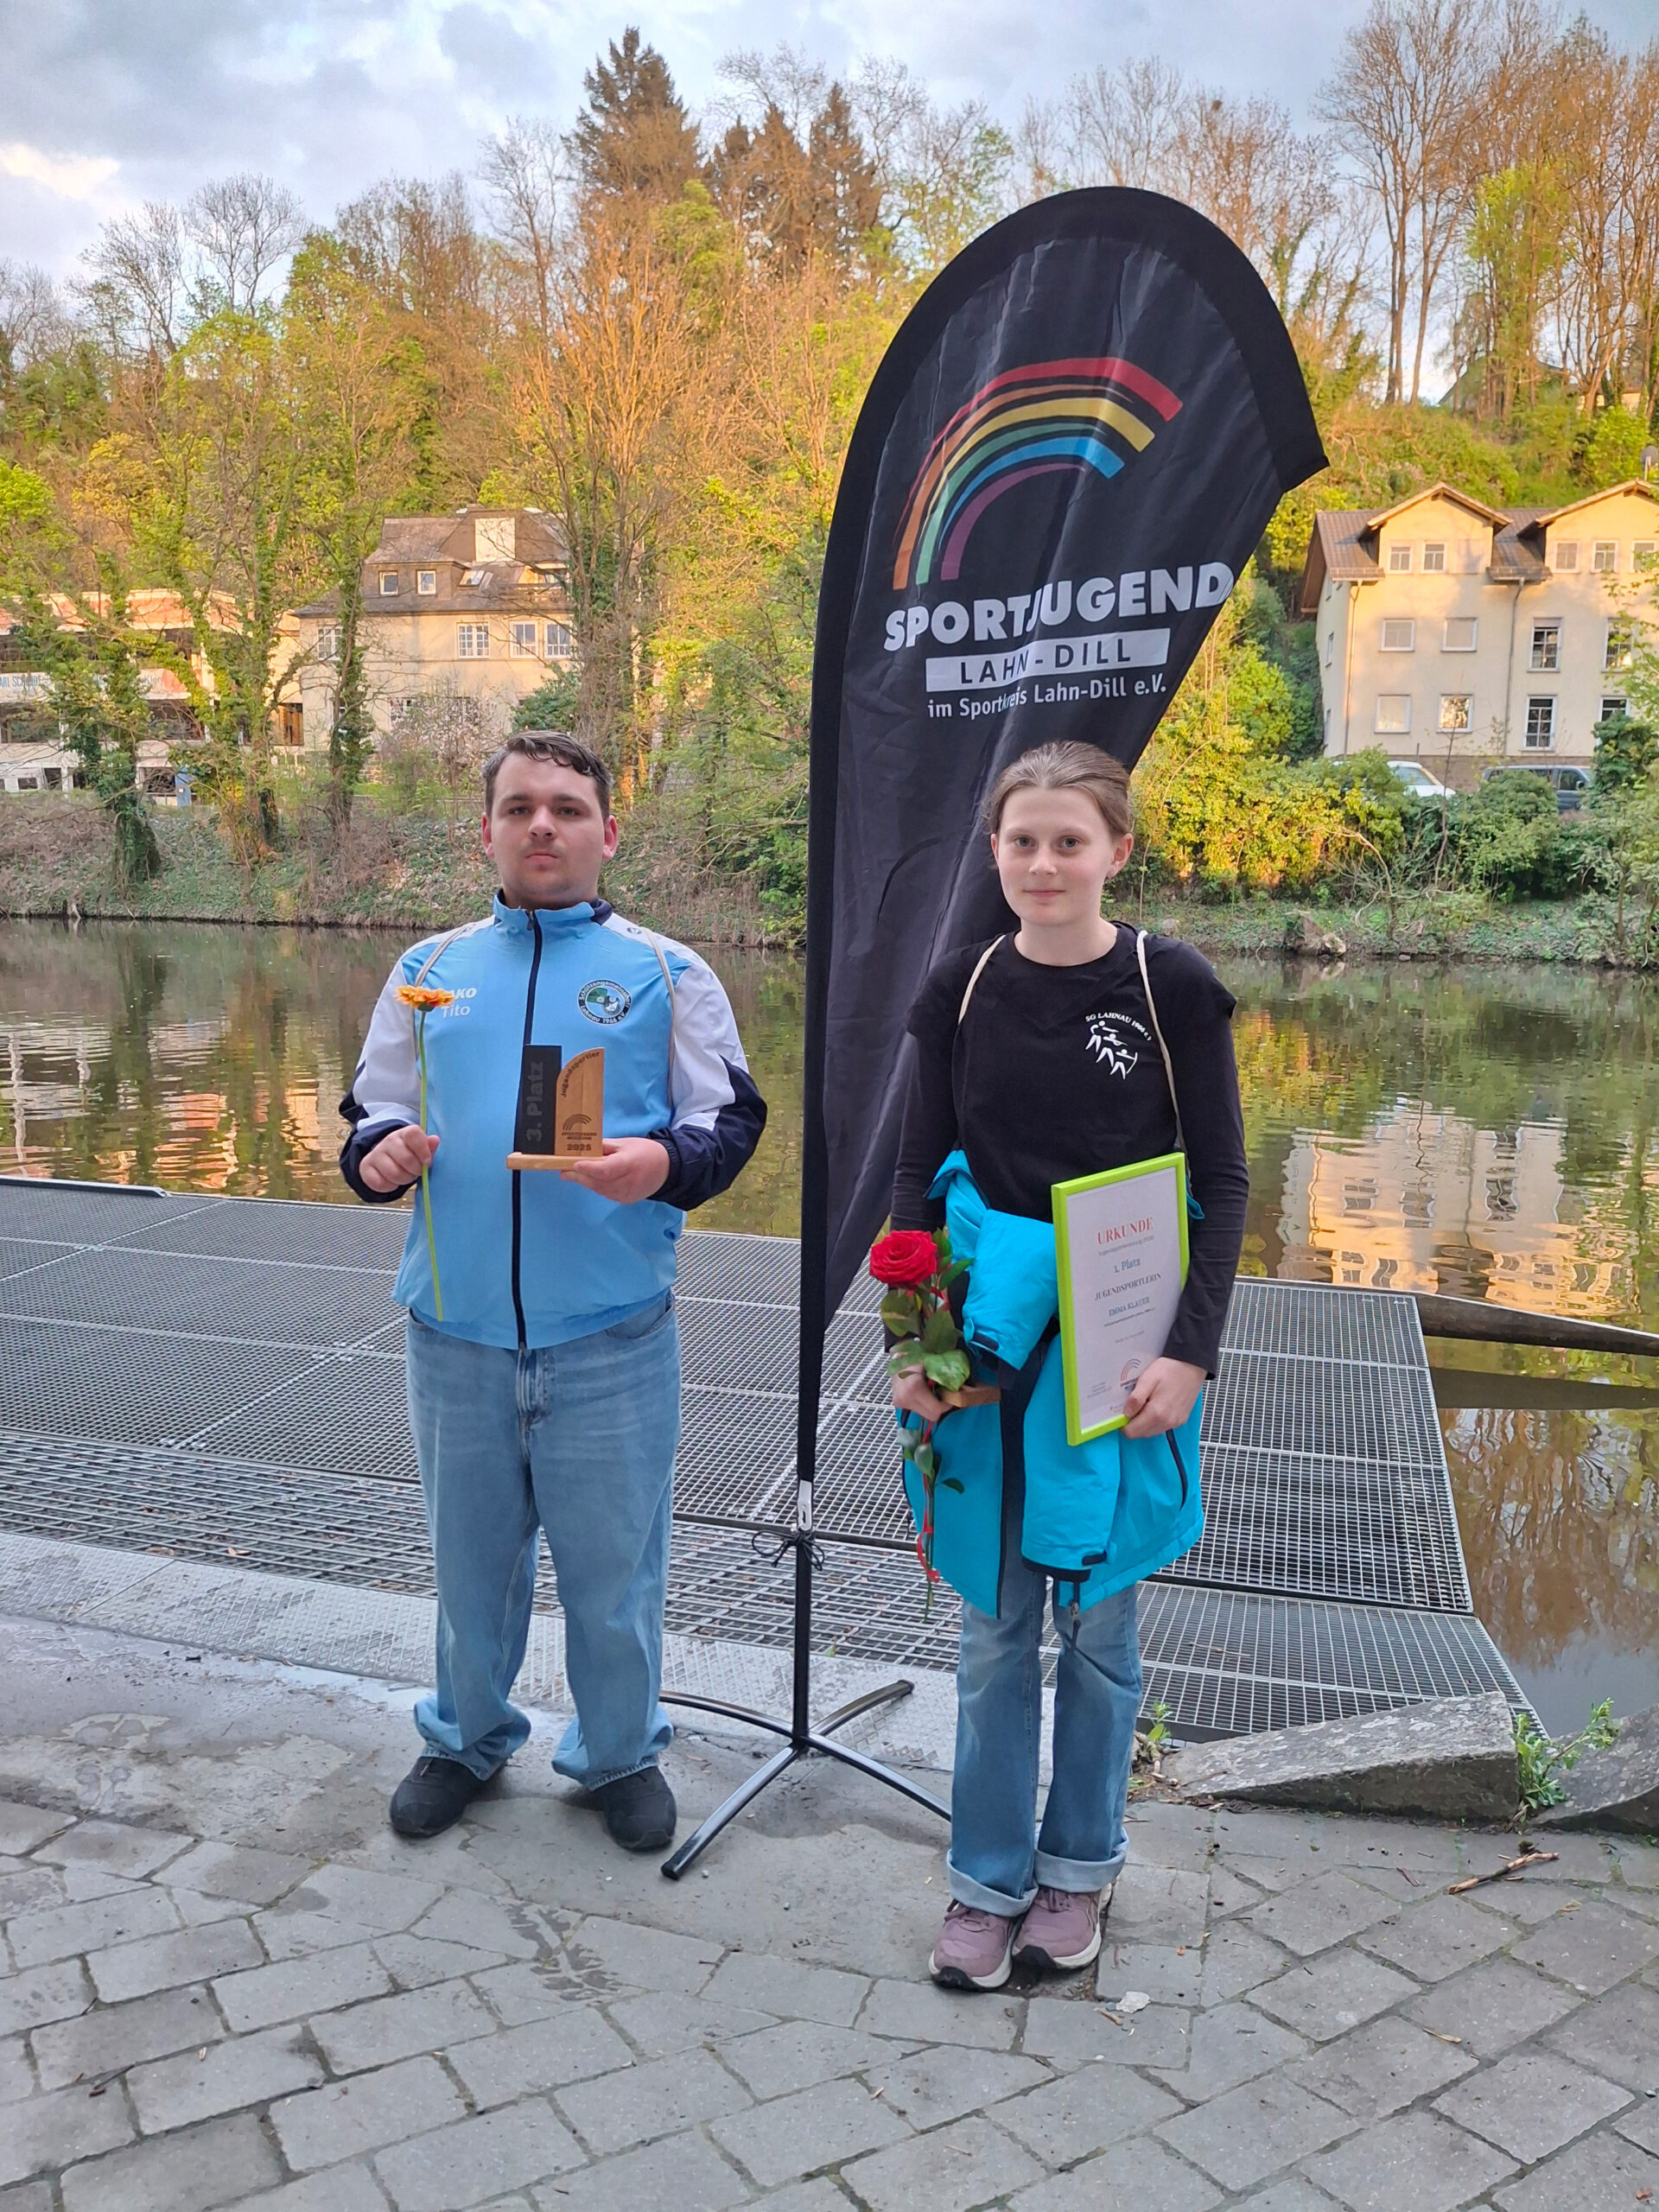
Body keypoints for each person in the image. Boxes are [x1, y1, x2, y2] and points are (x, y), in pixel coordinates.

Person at [340, 730, 766, 1851]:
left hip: (611, 1335)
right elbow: (373, 1106)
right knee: (468, 1566)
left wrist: (662, 1164)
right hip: (456, 1332)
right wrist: (378, 1155)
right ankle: (465, 1737)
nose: (543, 825)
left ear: (607, 833)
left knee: (614, 1571)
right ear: (485, 831)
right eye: (520, 807)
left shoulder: (669, 974)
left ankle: (618, 1752)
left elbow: (729, 1121)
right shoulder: (427, 971)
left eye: (568, 809)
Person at [889, 739, 1247, 1989]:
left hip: (1121, 1347)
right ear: (994, 852)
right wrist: (913, 1345)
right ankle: (984, 1883)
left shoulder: (1168, 985)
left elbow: (1222, 1182)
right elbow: (914, 1176)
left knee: (1097, 1635)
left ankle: (1079, 1872)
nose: (1043, 863)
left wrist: (1191, 1356)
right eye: (1022, 841)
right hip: (986, 1343)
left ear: (1117, 851)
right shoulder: (963, 985)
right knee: (995, 1636)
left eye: (1069, 841)